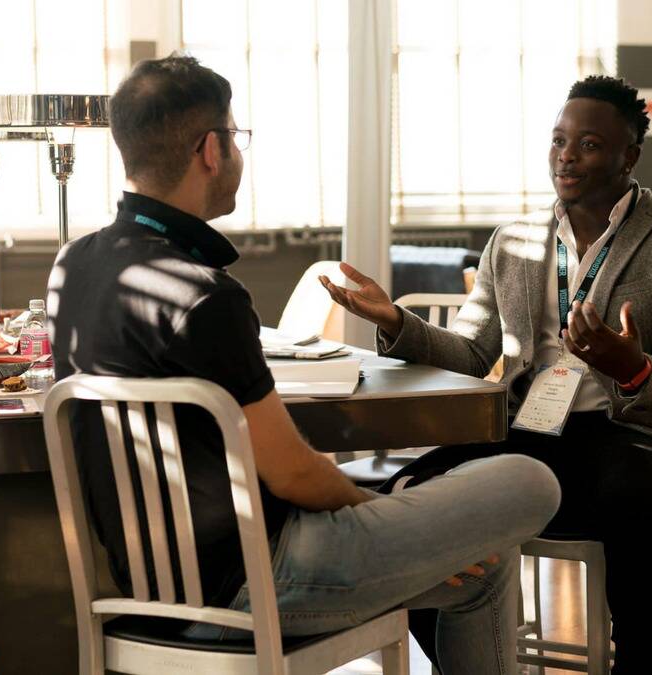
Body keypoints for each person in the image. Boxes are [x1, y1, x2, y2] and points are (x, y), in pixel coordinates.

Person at [47, 55, 560, 674]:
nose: (237, 153)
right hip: (257, 583)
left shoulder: (74, 266)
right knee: (531, 480)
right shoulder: (206, 295)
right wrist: (376, 510)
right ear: (211, 149)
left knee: (486, 562)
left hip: (144, 591)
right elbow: (294, 476)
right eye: (236, 138)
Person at [321, 75, 652, 674]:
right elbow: (471, 354)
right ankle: (469, 663)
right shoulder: (511, 242)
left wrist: (632, 367)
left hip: (634, 433)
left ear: (628, 156)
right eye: (558, 140)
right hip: (530, 431)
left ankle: (636, 667)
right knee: (413, 498)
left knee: (638, 494)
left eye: (588, 144)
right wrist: (397, 322)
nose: (566, 156)